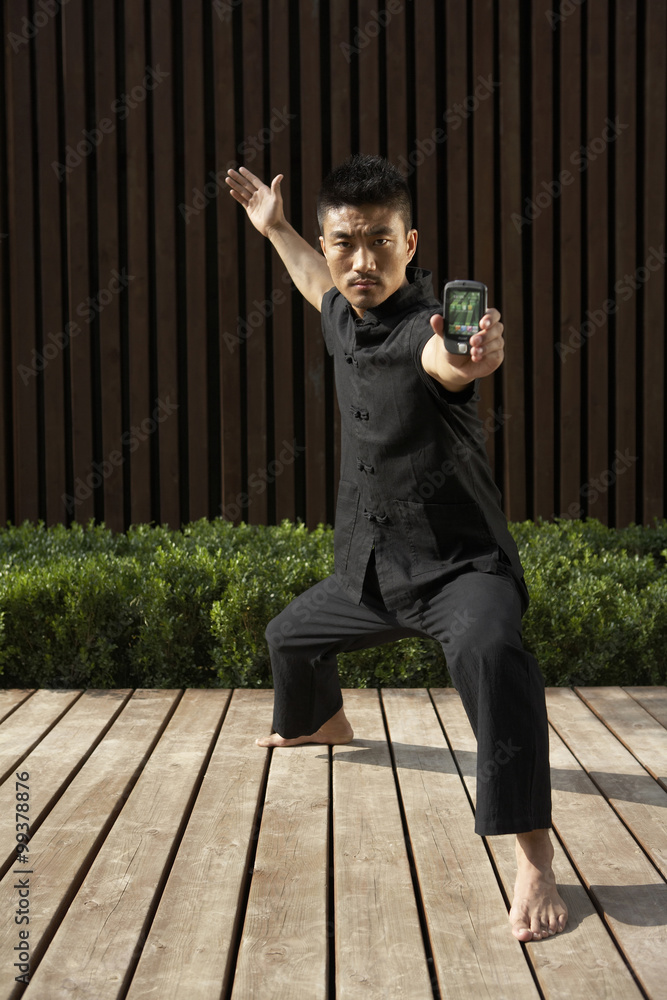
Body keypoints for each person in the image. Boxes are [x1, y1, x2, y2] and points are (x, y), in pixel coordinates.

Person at [225, 154, 568, 942]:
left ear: (409, 244)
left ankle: (535, 861)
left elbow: (451, 361)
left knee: (490, 657)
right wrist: (276, 229)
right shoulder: (342, 308)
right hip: (370, 571)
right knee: (288, 639)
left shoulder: (425, 328)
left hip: (458, 572)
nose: (361, 260)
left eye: (380, 241)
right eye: (346, 242)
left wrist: (473, 353)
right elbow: (315, 280)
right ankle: (324, 723)